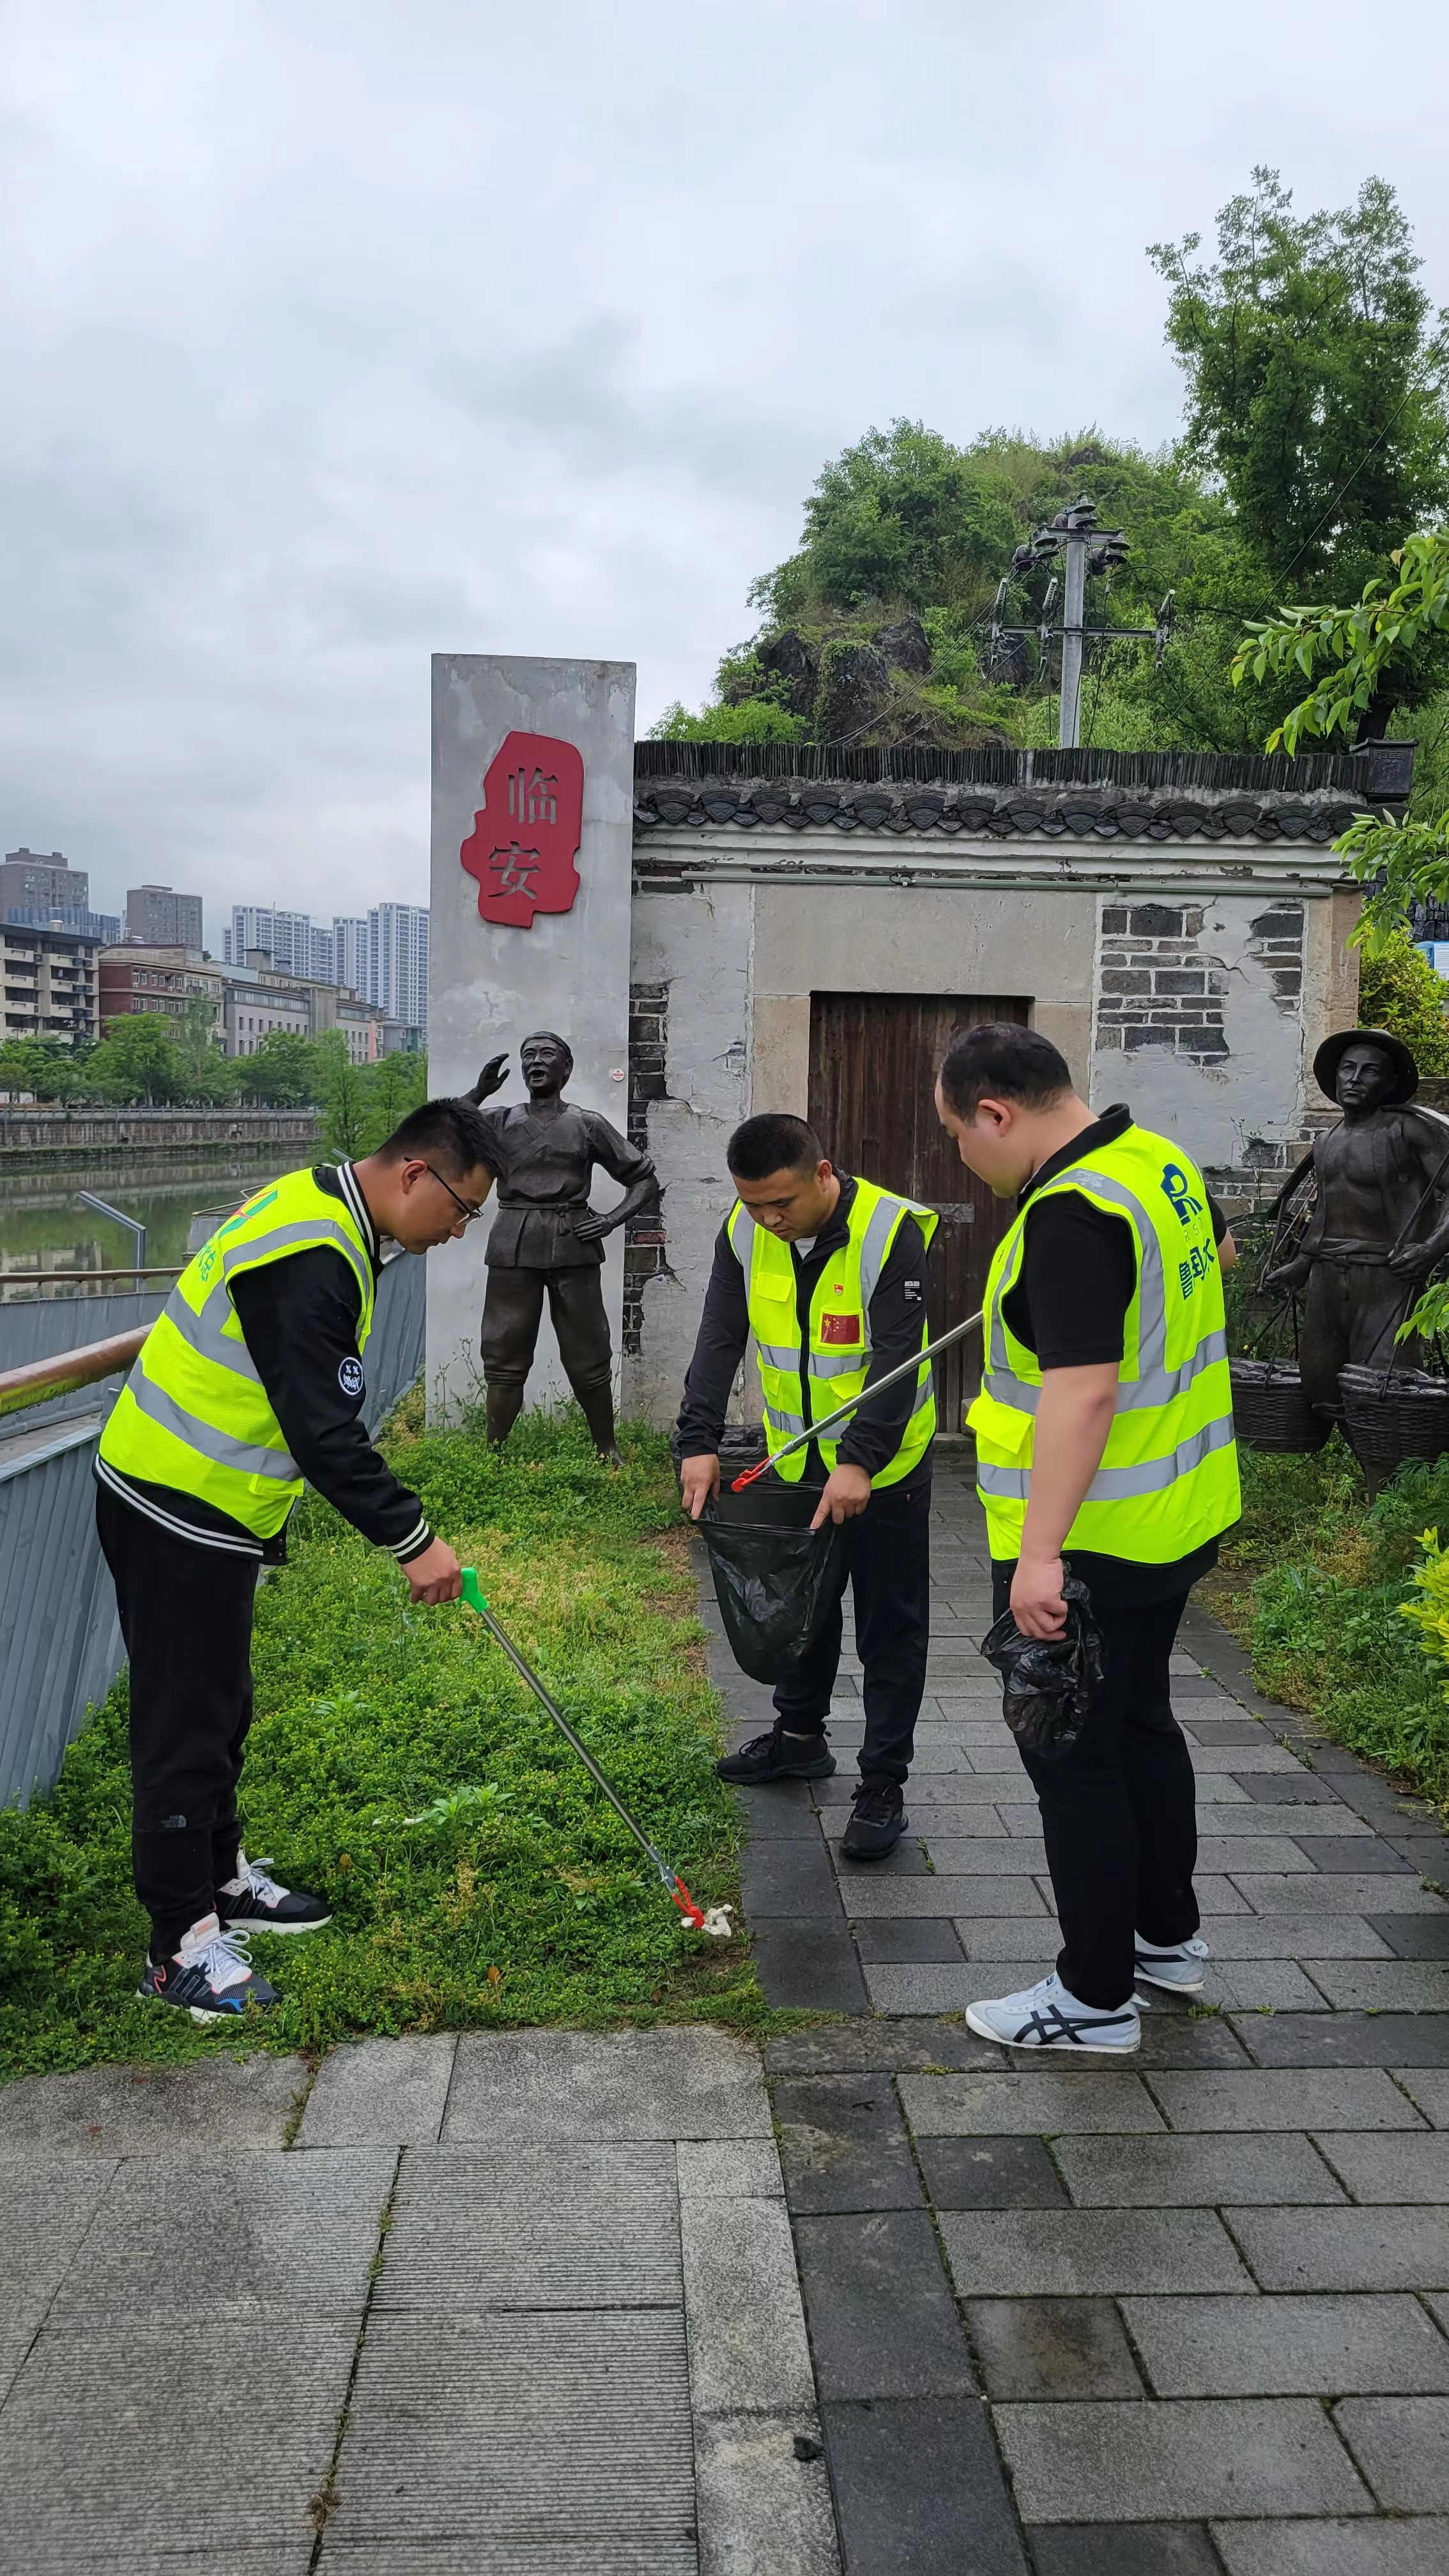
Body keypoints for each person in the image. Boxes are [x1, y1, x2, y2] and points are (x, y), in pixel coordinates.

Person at [95, 1097, 499, 2022]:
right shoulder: (314, 1256)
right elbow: (325, 1435)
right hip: (174, 1501)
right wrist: (414, 1541)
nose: (459, 1231)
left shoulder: (328, 1208)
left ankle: (220, 1879)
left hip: (213, 1506)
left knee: (222, 1704)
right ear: (415, 1174)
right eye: (462, 1210)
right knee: (182, 1725)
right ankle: (178, 1944)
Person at [935, 1025, 1239, 2053]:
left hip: (1091, 1545)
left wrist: (1039, 1557)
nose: (961, 1158)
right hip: (1175, 1519)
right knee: (1141, 1721)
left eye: (958, 1135)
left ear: (995, 1113)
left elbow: (1086, 1392)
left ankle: (1094, 1997)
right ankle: (1166, 1941)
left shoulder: (1067, 1214)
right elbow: (1218, 1256)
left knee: (1072, 1757)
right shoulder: (1151, 1160)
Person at [677, 1112, 937, 1861]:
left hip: (886, 1470)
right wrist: (697, 1443)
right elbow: (719, 1335)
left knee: (890, 1626)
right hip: (797, 1460)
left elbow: (898, 1360)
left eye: (782, 1203)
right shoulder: (744, 1228)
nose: (769, 1220)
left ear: (823, 1174)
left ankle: (883, 1783)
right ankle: (798, 1737)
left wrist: (860, 1462)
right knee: (801, 1607)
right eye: (754, 1204)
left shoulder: (889, 1232)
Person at [466, 1031, 659, 1464]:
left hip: (573, 1242)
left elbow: (644, 1181)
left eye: (547, 1054)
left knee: (589, 1349)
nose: (536, 1061)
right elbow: (441, 1130)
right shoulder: (498, 1121)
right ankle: (494, 1453)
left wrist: (610, 1220)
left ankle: (607, 1447)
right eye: (528, 1055)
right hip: (513, 1242)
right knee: (504, 1350)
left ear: (566, 1068)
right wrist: (478, 1093)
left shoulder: (587, 1124)